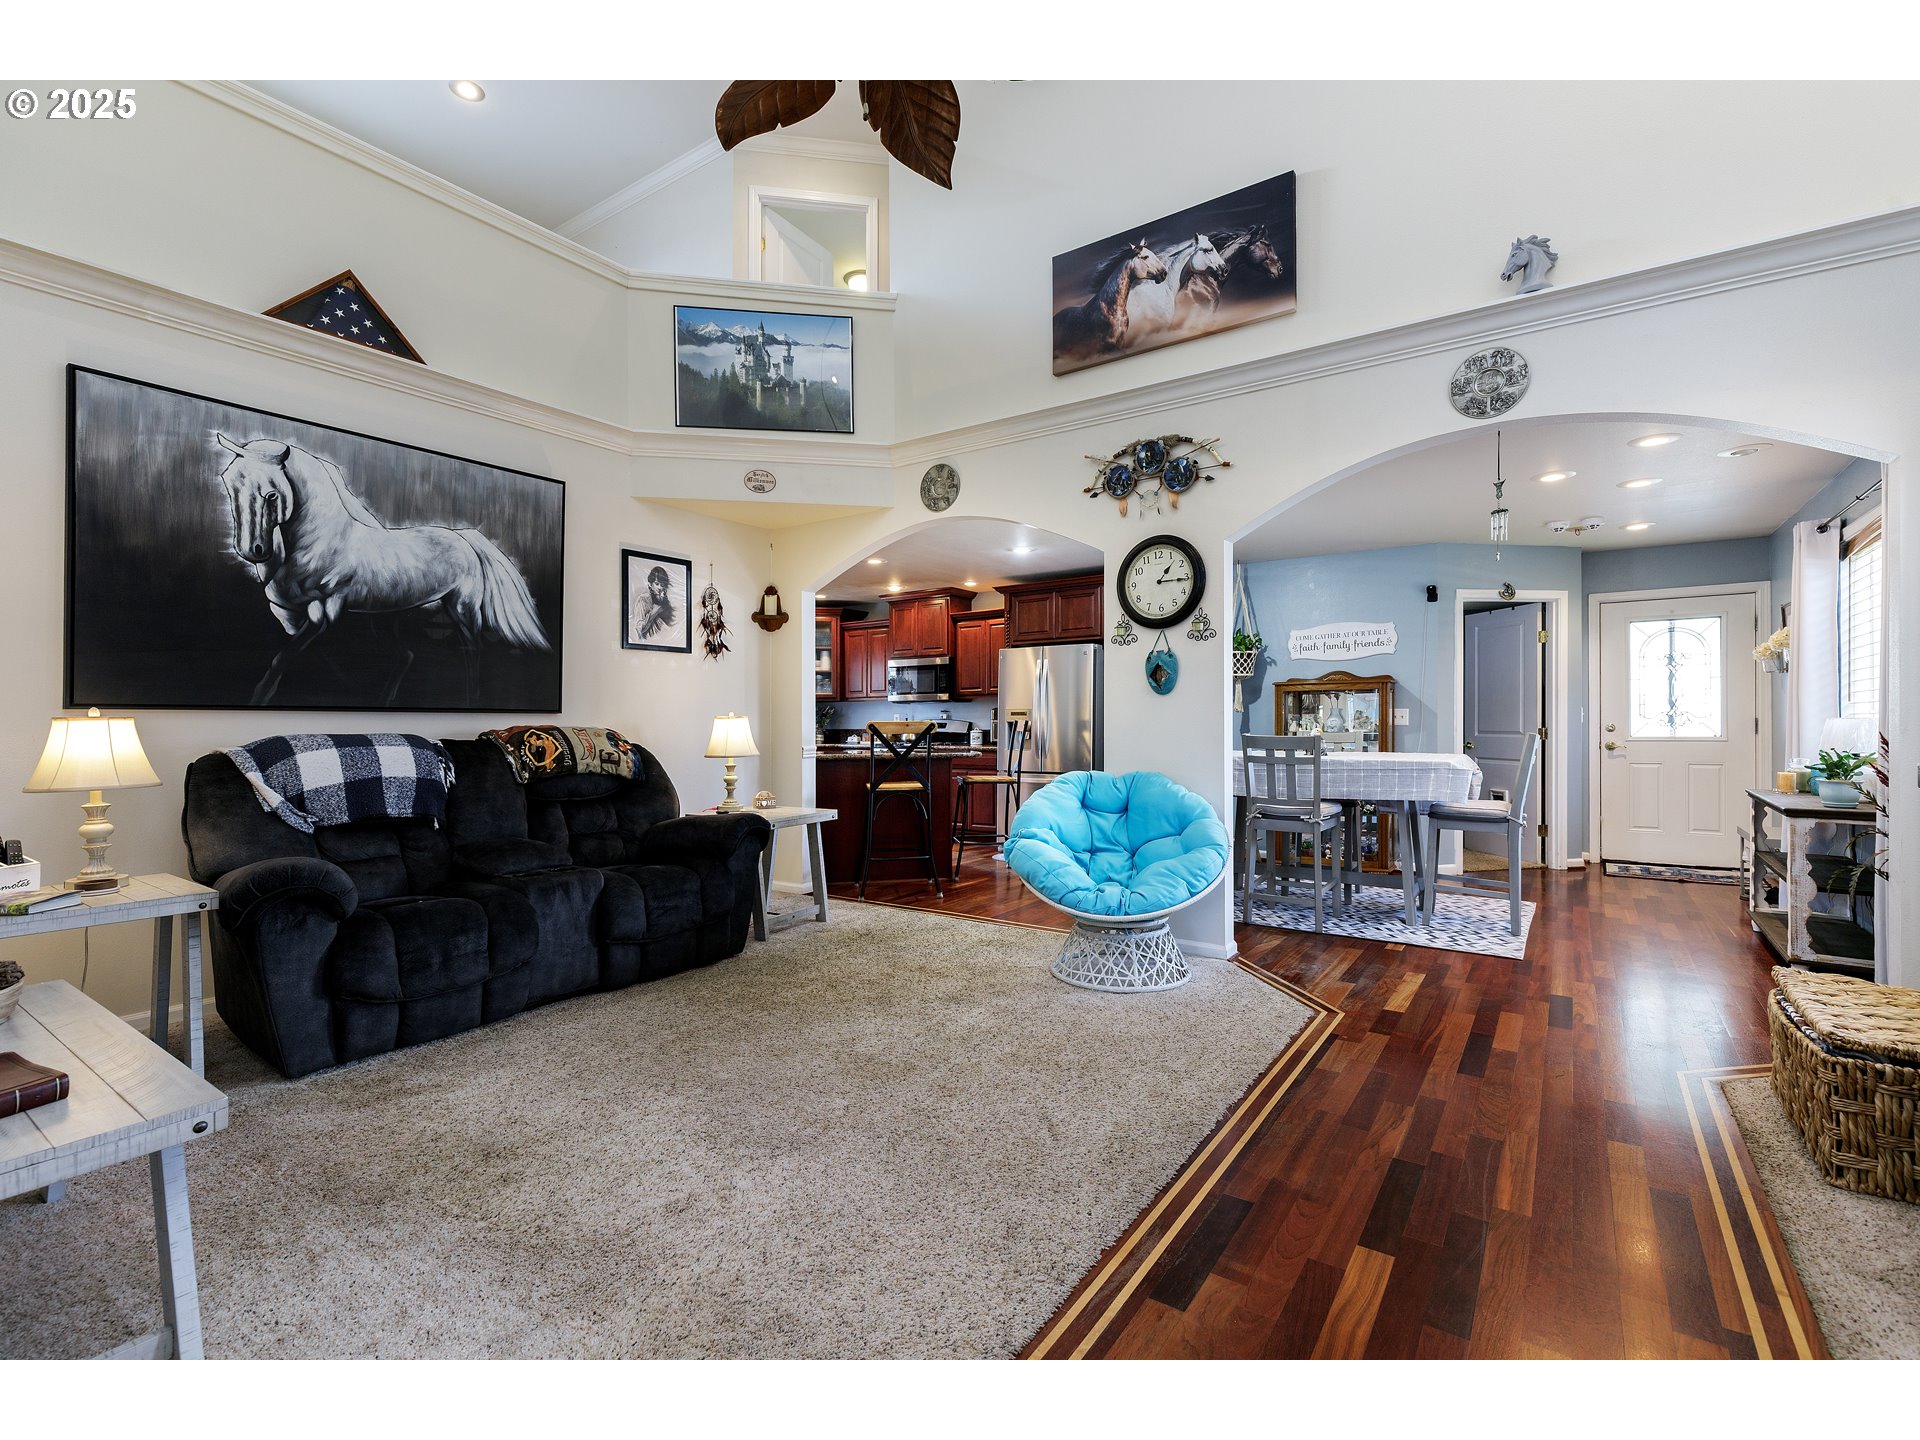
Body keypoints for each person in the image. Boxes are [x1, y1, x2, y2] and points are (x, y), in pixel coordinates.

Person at [631, 562, 675, 642]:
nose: (660, 588)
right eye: (657, 584)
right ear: (650, 584)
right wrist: (654, 612)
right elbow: (639, 629)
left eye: (662, 585)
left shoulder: (664, 602)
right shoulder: (643, 599)